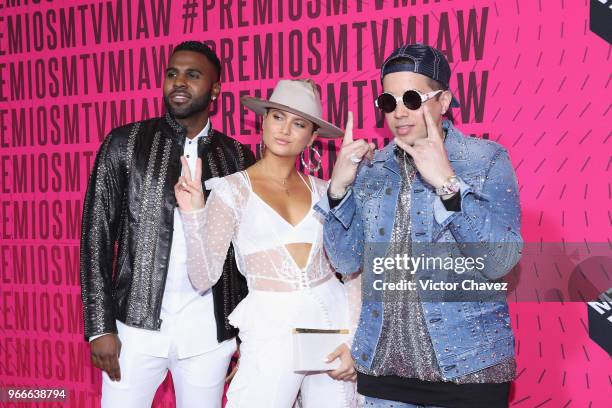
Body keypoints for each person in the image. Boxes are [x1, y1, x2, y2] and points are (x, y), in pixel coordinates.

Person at [317, 44, 523, 408]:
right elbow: (346, 262)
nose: (399, 112)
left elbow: (500, 261)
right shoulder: (373, 169)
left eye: (412, 98)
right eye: (388, 101)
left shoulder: (484, 160)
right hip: (384, 372)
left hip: (469, 367)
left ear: (443, 101)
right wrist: (338, 190)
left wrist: (447, 183)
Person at [80, 41, 255, 408]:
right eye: (172, 73)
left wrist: (244, 335)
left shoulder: (238, 156)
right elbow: (96, 236)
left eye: (193, 75)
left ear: (215, 89)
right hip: (134, 327)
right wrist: (100, 326)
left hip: (209, 333)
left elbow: (246, 253)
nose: (178, 82)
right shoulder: (124, 143)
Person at [175, 79, 360, 407]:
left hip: (332, 327)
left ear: (313, 136)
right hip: (271, 332)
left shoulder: (326, 190)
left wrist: (356, 340)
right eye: (278, 117)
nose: (285, 129)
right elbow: (203, 278)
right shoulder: (231, 191)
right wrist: (193, 215)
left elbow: (352, 271)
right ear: (263, 121)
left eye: (299, 123)